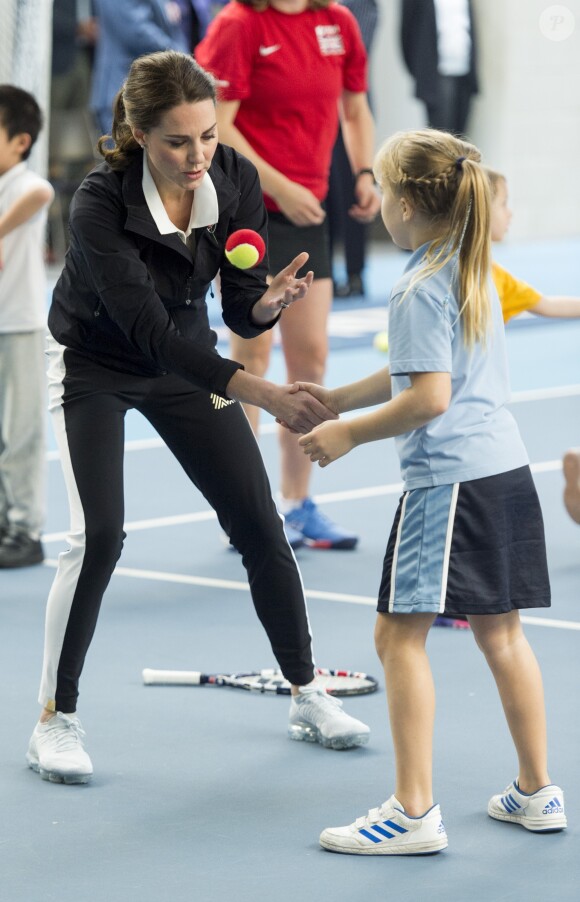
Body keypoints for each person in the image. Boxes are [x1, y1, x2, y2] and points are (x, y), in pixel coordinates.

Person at [25, 51, 371, 786]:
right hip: (95, 367)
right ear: (139, 132)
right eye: (178, 141)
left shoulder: (236, 179)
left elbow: (238, 302)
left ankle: (307, 694)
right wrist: (262, 391)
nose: (198, 156)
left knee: (257, 524)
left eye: (208, 136)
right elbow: (147, 332)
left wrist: (265, 305)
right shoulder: (97, 203)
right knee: (100, 536)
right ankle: (56, 717)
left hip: (190, 361)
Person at [294, 128, 567, 853]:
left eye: (382, 188)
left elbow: (428, 398)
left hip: (450, 486)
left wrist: (348, 436)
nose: (377, 201)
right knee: (502, 633)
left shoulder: (417, 283)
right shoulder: (470, 265)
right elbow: (417, 371)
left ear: (409, 203)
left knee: (396, 635)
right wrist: (340, 399)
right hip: (505, 471)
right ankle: (537, 792)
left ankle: (412, 813)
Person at [196, 0, 381, 550]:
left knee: (311, 359)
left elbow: (355, 107)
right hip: (251, 209)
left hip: (309, 212)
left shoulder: (338, 22)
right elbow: (218, 126)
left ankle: (298, 505)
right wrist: (279, 187)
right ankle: (246, 508)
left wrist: (365, 170)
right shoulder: (238, 24)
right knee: (250, 358)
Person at [0, 86, 54, 568]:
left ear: (19, 141)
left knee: (21, 433)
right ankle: (3, 518)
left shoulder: (22, 183)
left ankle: (25, 528)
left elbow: (44, 192)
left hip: (18, 324)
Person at [327, 0, 379, 299]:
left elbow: (356, 48)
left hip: (350, 107)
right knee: (325, 197)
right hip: (315, 112)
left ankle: (356, 273)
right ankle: (325, 273)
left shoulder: (357, 7)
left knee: (354, 192)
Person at [90, 0, 189, 137]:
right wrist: (184, 58)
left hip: (154, 90)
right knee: (126, 155)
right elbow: (136, 31)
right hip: (124, 91)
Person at [401, 0, 478, 136]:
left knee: (461, 141)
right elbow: (407, 33)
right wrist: (421, 73)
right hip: (437, 76)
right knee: (441, 140)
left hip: (464, 75)